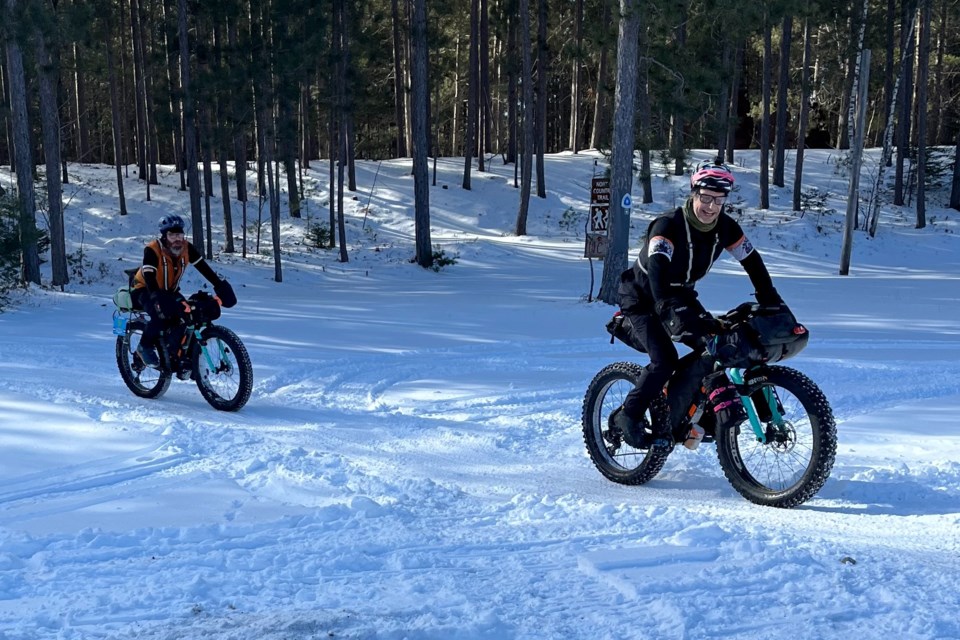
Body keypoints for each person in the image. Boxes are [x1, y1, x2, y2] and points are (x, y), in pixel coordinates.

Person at [612, 161, 783, 450]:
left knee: (716, 345)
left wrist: (770, 299)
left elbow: (752, 262)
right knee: (664, 359)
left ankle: (689, 414)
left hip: (679, 296)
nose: (712, 206)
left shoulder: (726, 228)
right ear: (694, 192)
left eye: (719, 199)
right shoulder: (668, 226)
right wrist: (667, 307)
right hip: (642, 298)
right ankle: (628, 416)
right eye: (706, 197)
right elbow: (656, 269)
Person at [130, 214, 234, 367]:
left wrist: (219, 285)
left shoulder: (186, 248)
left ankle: (178, 354)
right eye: (172, 235)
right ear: (164, 236)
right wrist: (156, 297)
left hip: (170, 291)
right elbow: (149, 275)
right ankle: (144, 346)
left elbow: (203, 268)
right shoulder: (152, 249)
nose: (177, 239)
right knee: (160, 317)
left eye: (180, 234)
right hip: (144, 290)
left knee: (188, 315)